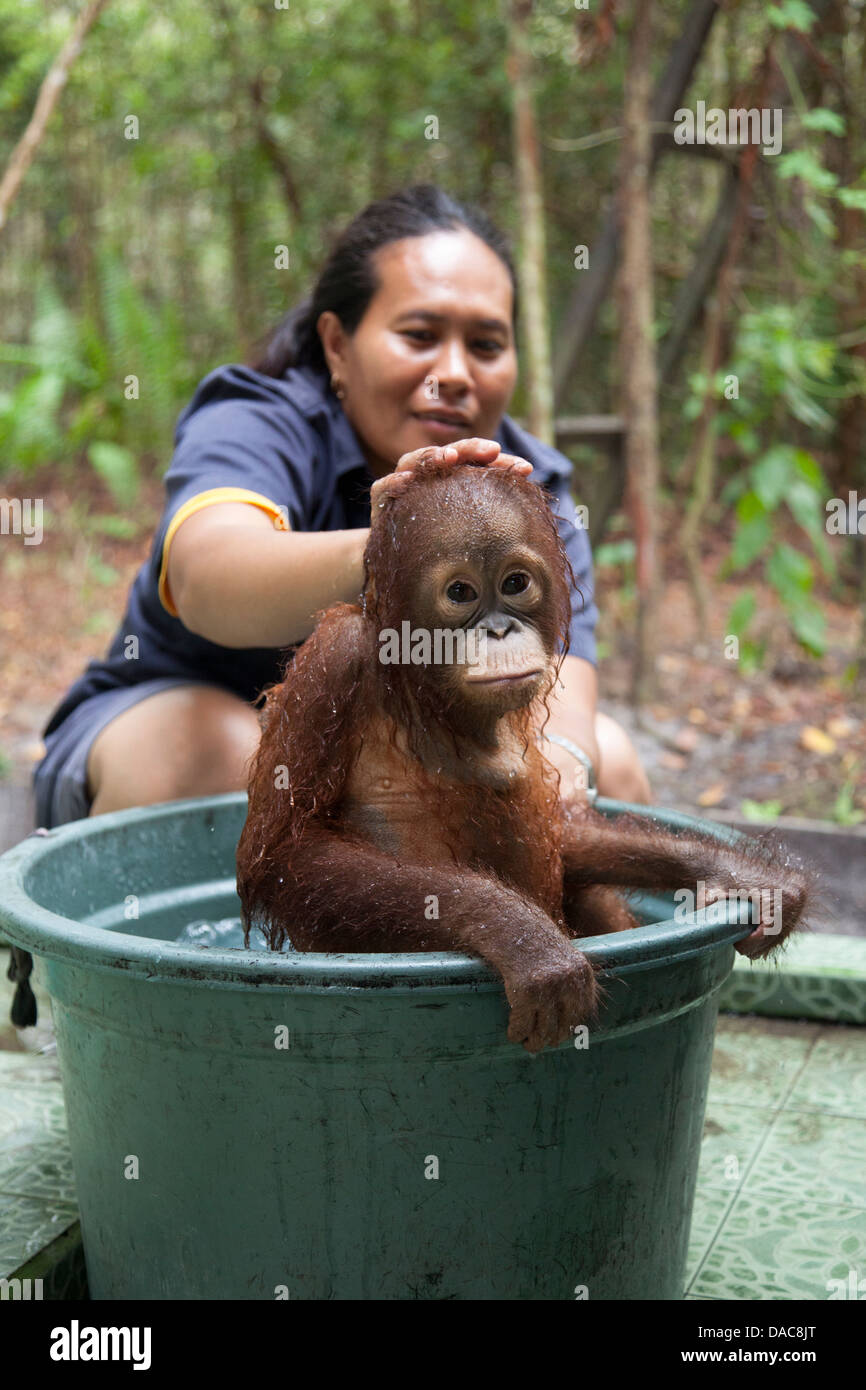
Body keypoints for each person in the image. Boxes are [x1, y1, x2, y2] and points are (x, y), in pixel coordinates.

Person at [33, 183, 650, 834]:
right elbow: (204, 574)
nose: (457, 372)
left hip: (397, 755)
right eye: (420, 335)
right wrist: (395, 550)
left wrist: (563, 774)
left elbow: (562, 683)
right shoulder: (258, 420)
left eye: (487, 346)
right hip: (172, 728)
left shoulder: (529, 480)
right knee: (226, 756)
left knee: (607, 758)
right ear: (336, 345)